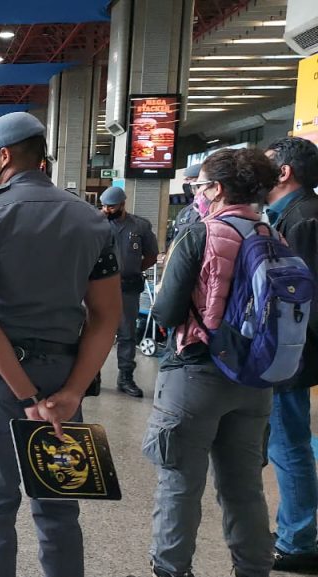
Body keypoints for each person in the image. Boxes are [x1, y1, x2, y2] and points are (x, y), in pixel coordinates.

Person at [0, 112, 121, 577]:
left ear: (4, 156)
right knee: (60, 508)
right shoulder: (91, 220)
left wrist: (26, 397)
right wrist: (72, 392)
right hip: (66, 375)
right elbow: (106, 317)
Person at [145, 148, 279, 577]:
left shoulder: (200, 233)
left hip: (196, 375)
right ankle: (253, 569)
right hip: (254, 379)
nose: (197, 193)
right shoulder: (272, 236)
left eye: (200, 186)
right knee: (245, 487)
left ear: (217, 189)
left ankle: (171, 570)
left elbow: (167, 311)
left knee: (180, 485)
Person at [263, 136, 318, 572]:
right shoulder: (292, 214)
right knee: (283, 440)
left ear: (284, 172)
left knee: (289, 444)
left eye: (265, 166)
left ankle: (298, 542)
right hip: (289, 351)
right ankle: (292, 528)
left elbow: (302, 298)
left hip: (291, 353)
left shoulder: (303, 220)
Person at [99, 186, 159, 398]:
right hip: (99, 286)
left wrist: (133, 270)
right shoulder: (96, 223)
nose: (106, 210)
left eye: (111, 206)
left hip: (127, 287)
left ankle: (125, 376)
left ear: (123, 204)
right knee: (96, 331)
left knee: (127, 333)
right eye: (103, 206)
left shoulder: (140, 226)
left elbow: (151, 254)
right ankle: (92, 375)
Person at [171, 163, 203, 243]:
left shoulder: (215, 209)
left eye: (189, 179)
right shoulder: (185, 212)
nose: (186, 183)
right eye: (185, 180)